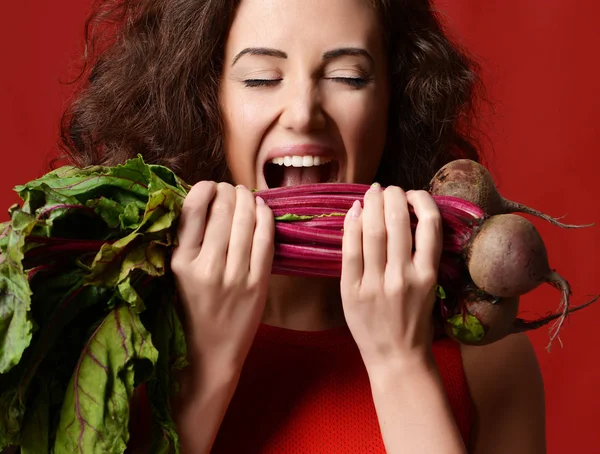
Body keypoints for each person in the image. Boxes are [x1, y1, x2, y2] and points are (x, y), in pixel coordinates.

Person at [58, 0, 546, 452]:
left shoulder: (489, 363)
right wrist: (205, 369)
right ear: (207, 103)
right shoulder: (111, 347)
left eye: (348, 77)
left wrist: (401, 364)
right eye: (260, 78)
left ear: (393, 105)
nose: (303, 113)